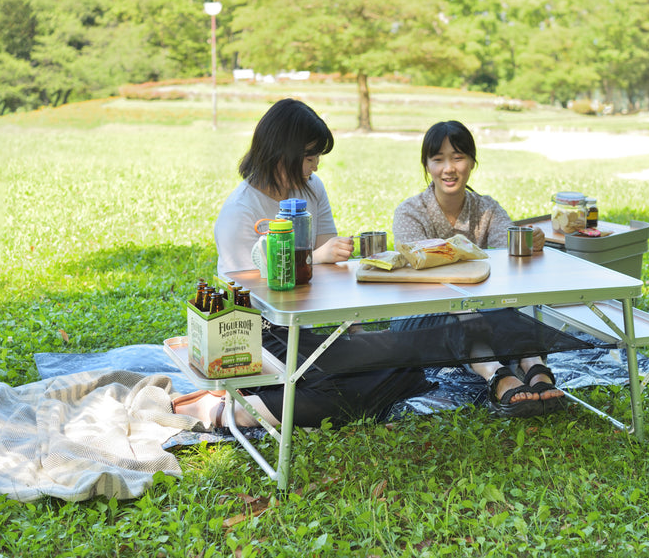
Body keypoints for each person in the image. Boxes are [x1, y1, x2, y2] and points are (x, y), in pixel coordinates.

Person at [173, 99, 434, 429]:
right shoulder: (240, 212)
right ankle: (224, 411)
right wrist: (313, 258)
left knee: (407, 362)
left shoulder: (312, 189)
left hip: (305, 329)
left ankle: (267, 403)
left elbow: (332, 260)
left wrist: (355, 329)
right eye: (310, 157)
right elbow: (259, 297)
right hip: (258, 333)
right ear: (282, 154)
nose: (316, 166)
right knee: (334, 389)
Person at [393, 120, 564, 418]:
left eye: (458, 157)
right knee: (466, 319)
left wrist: (529, 245)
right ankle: (497, 375)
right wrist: (464, 309)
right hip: (421, 315)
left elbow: (507, 263)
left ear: (472, 161)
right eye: (438, 159)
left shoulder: (487, 209)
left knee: (509, 311)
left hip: (486, 310)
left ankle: (535, 368)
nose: (449, 168)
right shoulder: (410, 212)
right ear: (427, 166)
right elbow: (420, 273)